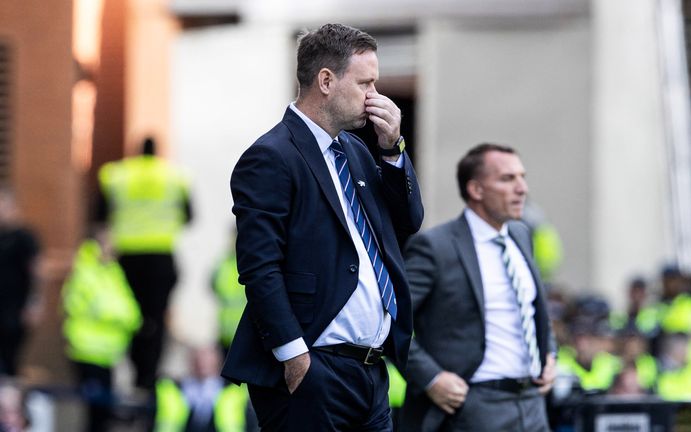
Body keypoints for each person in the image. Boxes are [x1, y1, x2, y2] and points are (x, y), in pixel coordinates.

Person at [222, 23, 423, 431]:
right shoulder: (270, 156)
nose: (375, 96)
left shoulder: (358, 151)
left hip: (371, 373)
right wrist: (295, 358)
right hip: (313, 370)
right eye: (365, 83)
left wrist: (392, 150)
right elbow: (260, 268)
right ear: (326, 81)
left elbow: (408, 221)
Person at [399, 144, 555, 432]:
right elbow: (391, 321)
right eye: (507, 179)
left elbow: (534, 308)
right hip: (472, 405)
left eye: (522, 177)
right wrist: (431, 378)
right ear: (476, 190)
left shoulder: (521, 235)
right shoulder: (436, 246)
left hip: (533, 404)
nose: (522, 188)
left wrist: (550, 354)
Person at [96, 136, 193, 390]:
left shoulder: (116, 175)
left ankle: (134, 372)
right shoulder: (175, 176)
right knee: (156, 319)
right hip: (161, 256)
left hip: (127, 257)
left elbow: (100, 215)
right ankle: (148, 378)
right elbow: (189, 217)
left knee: (129, 317)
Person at [61, 232, 142, 432]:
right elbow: (99, 307)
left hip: (107, 354)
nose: (113, 250)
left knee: (104, 414)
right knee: (95, 412)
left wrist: (123, 316)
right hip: (87, 351)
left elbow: (130, 310)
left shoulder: (113, 272)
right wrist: (120, 316)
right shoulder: (85, 271)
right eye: (108, 245)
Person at [154, 345, 255, 432]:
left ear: (218, 361)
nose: (202, 364)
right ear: (190, 361)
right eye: (198, 358)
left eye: (207, 359)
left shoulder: (234, 391)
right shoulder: (172, 389)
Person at [0, 187, 41, 378]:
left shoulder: (24, 237)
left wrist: (34, 303)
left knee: (10, 360)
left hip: (15, 309)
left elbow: (37, 272)